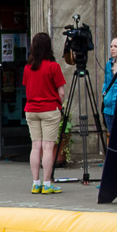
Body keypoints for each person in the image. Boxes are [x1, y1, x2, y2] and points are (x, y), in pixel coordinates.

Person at [23, 32, 66, 195]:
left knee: (36, 146)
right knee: (48, 148)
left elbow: (27, 88)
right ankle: (47, 184)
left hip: (32, 109)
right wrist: (58, 106)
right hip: (49, 109)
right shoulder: (53, 67)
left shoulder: (28, 67)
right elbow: (61, 92)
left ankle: (35, 183)